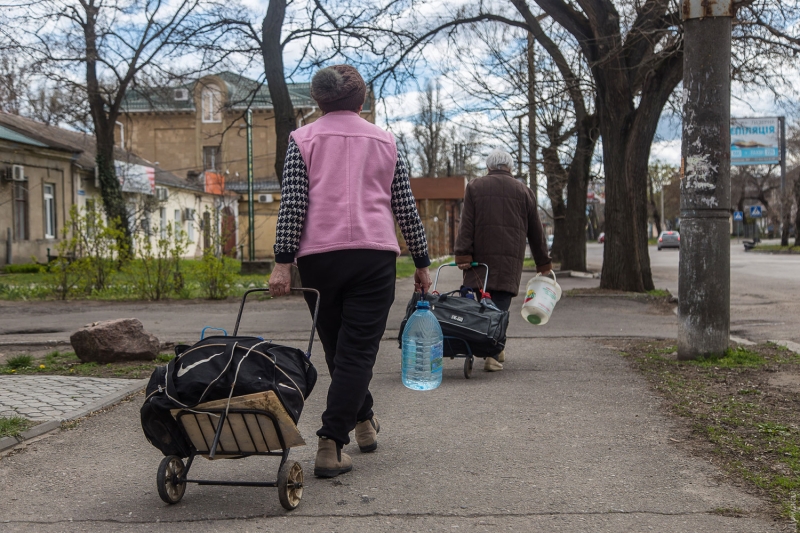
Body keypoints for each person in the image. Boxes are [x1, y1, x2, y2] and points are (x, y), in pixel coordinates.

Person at [269, 64, 432, 478]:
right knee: (356, 352)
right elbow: (405, 207)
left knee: (339, 350)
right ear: (360, 102)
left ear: (319, 101)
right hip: (372, 256)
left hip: (318, 259)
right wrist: (422, 261)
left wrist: (283, 262)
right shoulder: (385, 141)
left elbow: (293, 205)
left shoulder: (301, 140)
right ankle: (331, 441)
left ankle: (363, 424)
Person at [454, 149, 552, 372]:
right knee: (500, 307)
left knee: (477, 306)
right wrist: (543, 264)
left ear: (489, 167)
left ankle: (477, 346)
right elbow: (537, 232)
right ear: (510, 168)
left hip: (479, 263)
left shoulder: (475, 187)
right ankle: (494, 354)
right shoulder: (524, 191)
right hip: (508, 262)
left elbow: (466, 223)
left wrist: (463, 254)